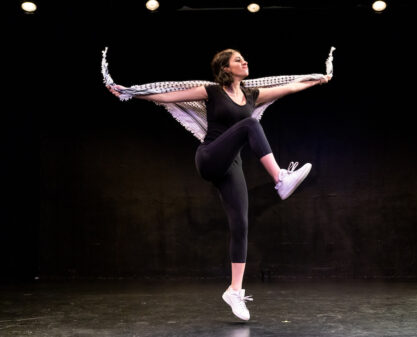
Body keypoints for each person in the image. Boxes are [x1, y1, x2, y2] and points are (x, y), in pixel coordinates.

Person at [107, 48, 331, 321]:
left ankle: (234, 291)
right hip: (210, 156)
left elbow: (288, 88)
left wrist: (316, 79)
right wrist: (130, 92)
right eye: (238, 59)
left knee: (241, 225)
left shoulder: (251, 95)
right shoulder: (211, 92)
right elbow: (167, 96)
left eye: (244, 58)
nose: (245, 61)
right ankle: (280, 178)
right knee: (250, 124)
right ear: (225, 68)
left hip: (230, 166)